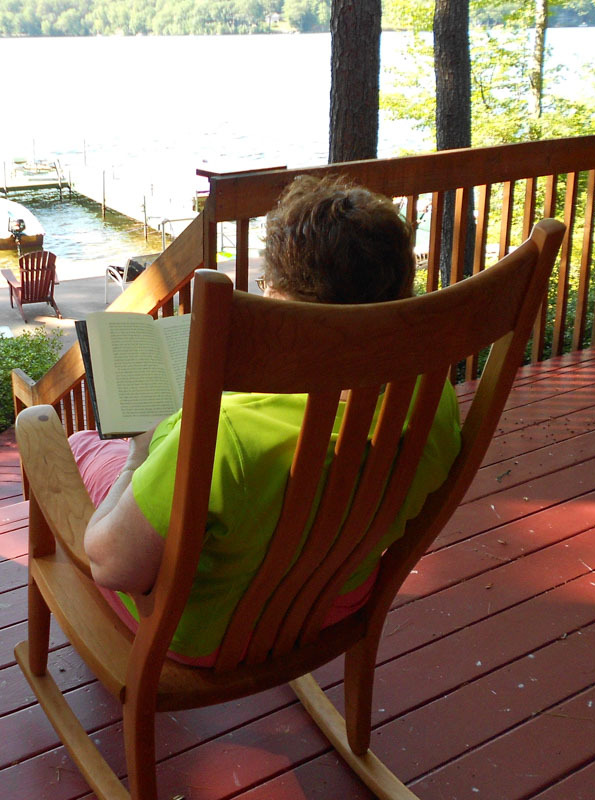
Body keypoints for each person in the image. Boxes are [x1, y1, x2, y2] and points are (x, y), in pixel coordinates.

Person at [69, 175, 463, 665]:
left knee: (77, 445)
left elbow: (112, 566)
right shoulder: (436, 399)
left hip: (207, 636)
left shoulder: (223, 435)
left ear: (277, 299)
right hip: (336, 603)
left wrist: (139, 453)